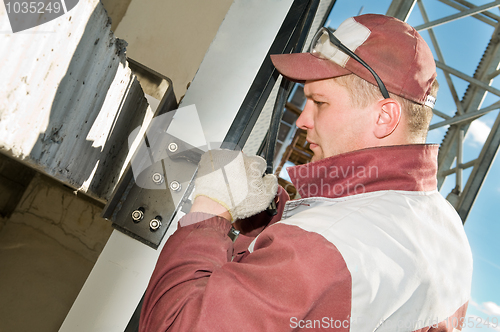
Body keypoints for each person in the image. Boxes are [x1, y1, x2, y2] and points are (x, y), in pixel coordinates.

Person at [139, 14, 473, 331]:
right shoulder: (447, 231)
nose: (302, 119)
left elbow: (174, 325)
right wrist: (272, 217)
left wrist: (210, 212)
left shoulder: (325, 247)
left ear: (384, 117)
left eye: (321, 103)